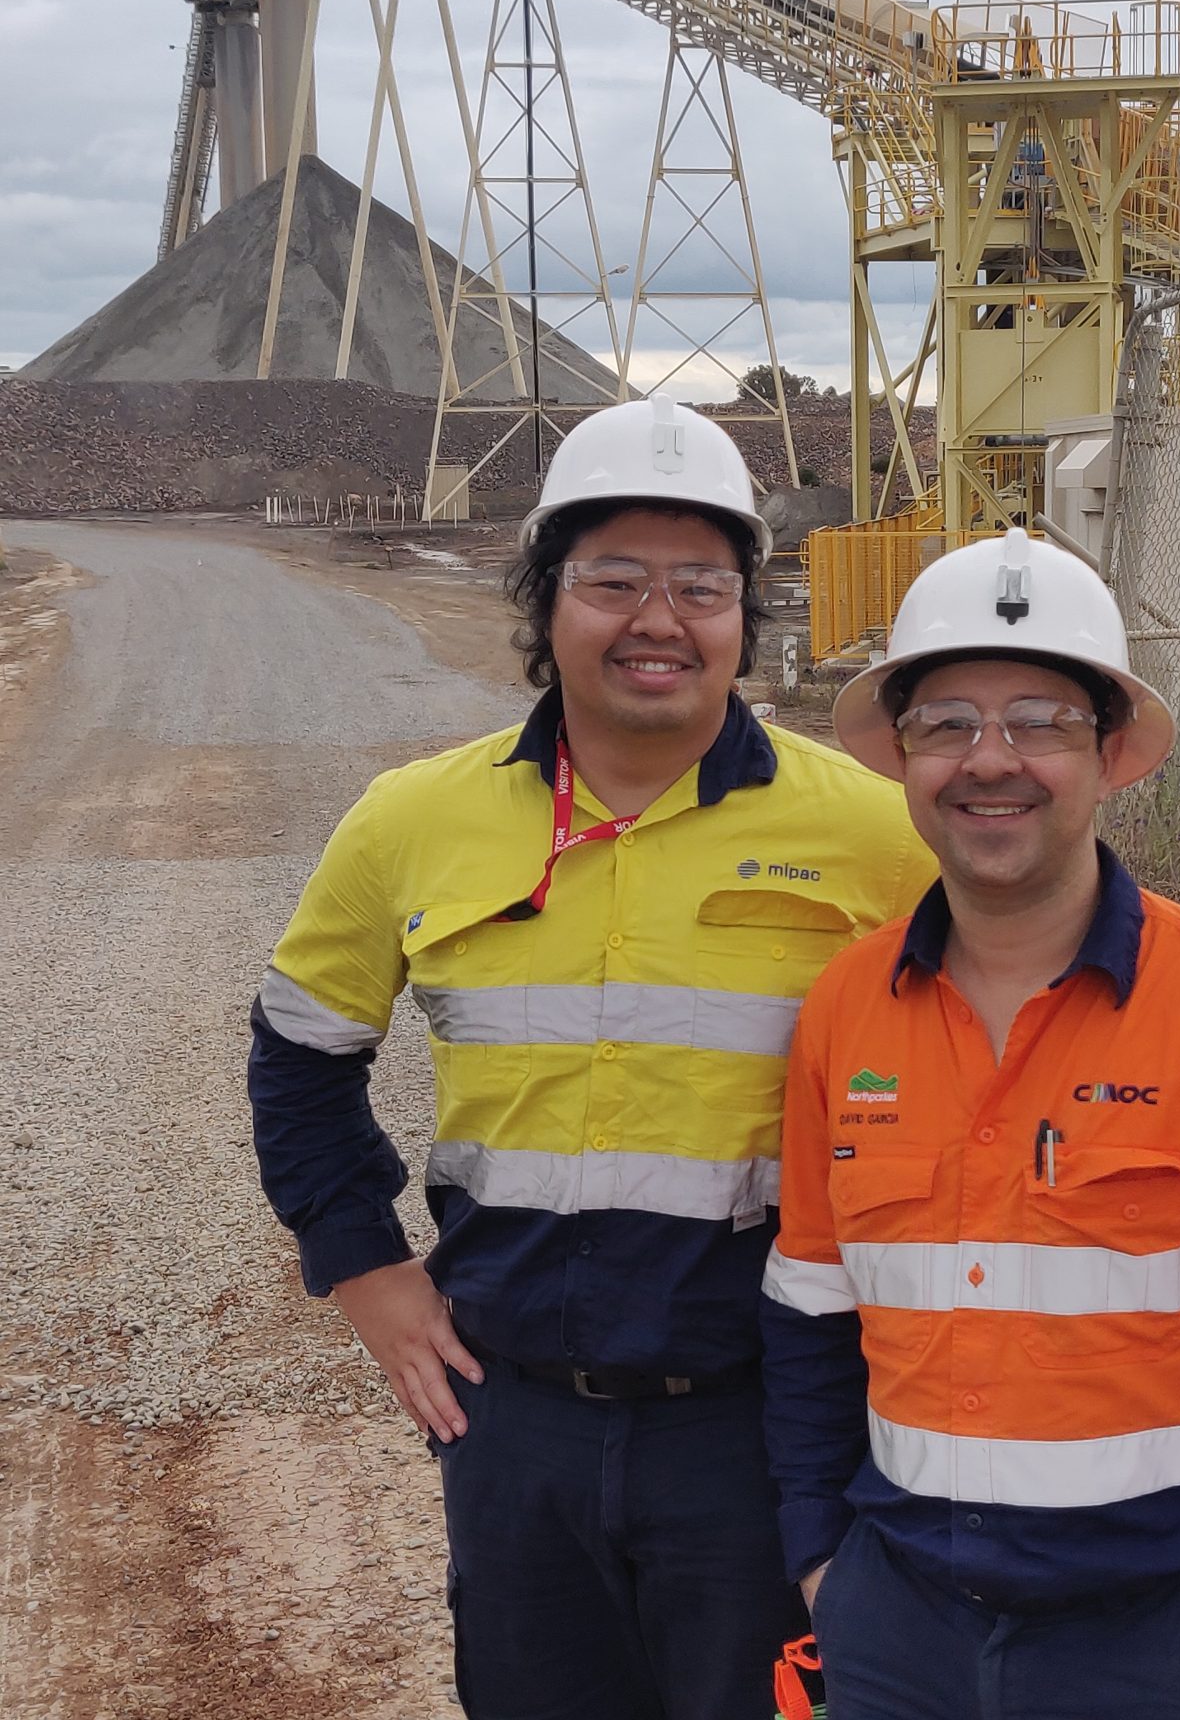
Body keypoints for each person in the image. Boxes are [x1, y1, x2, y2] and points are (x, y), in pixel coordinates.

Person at [247, 393, 937, 1720]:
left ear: (747, 611)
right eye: (613, 579)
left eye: (702, 584)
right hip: (515, 1424)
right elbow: (300, 1043)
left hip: (764, 1428)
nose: (659, 619)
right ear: (548, 599)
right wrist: (361, 1265)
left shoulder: (874, 835)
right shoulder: (415, 819)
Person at [761, 528, 1180, 1720]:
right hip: (896, 1638)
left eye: (1041, 721)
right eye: (947, 721)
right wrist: (825, 1567)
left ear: (1111, 752)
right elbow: (810, 1318)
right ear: (901, 755)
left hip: (1158, 1652)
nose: (990, 760)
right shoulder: (846, 1010)